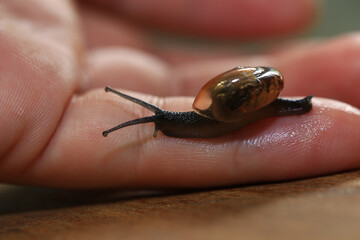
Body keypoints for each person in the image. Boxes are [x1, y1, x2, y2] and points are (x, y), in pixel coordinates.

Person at [0, 0, 359, 188]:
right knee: (169, 116)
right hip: (225, 108)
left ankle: (293, 107)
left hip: (248, 101)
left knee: (174, 117)